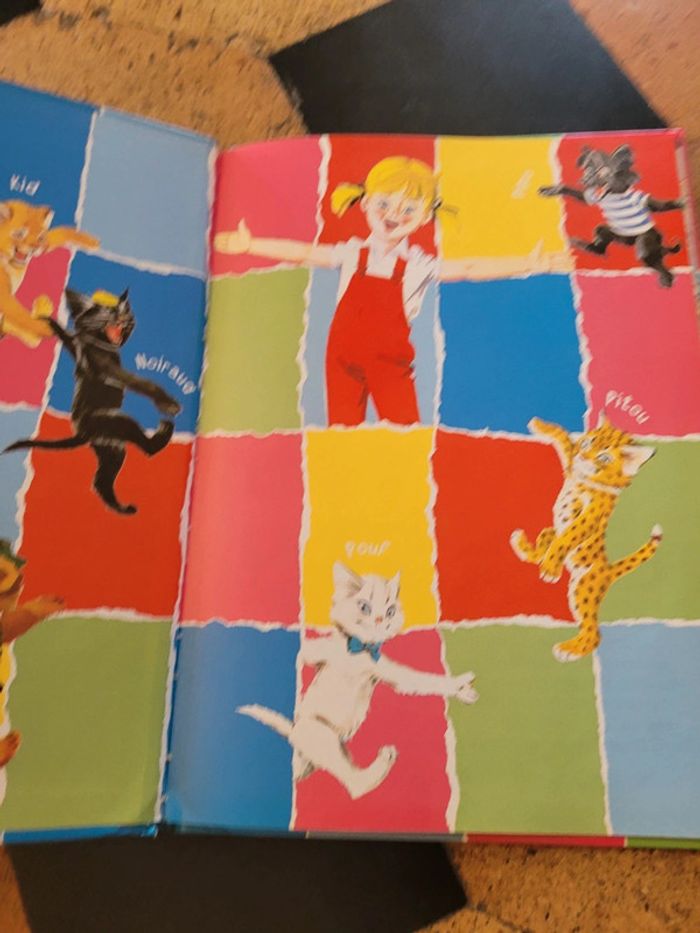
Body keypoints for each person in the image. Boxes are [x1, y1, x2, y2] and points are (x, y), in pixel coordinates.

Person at [215, 156, 570, 426]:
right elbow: (304, 253)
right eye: (384, 203)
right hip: (340, 358)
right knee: (342, 434)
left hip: (390, 365)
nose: (394, 214)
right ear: (366, 202)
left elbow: (470, 268)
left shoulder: (418, 265)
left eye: (408, 208)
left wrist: (533, 263)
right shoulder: (351, 253)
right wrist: (251, 245)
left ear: (425, 217)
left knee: (404, 433)